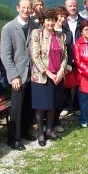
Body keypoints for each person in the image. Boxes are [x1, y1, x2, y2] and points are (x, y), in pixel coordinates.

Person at [1, 0, 38, 150]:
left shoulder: (34, 26)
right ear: (17, 8)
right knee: (16, 108)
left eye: (28, 7)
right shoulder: (8, 28)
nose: (26, 10)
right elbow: (5, 55)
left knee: (29, 105)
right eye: (23, 7)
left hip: (32, 74)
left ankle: (25, 131)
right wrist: (13, 76)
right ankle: (14, 139)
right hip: (18, 75)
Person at [30, 8, 68, 146]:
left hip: (57, 76)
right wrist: (50, 73)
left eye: (52, 20)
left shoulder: (61, 36)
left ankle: (50, 130)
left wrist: (61, 71)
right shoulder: (36, 34)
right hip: (42, 78)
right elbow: (35, 57)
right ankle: (40, 132)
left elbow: (65, 56)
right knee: (41, 107)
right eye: (48, 20)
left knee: (53, 105)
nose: (50, 23)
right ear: (43, 21)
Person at [62, 0, 85, 115]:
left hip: (80, 56)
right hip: (66, 55)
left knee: (78, 81)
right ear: (66, 7)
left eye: (74, 5)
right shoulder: (62, 23)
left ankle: (76, 106)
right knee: (65, 81)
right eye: (70, 6)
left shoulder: (83, 22)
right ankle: (67, 106)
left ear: (78, 6)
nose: (72, 8)